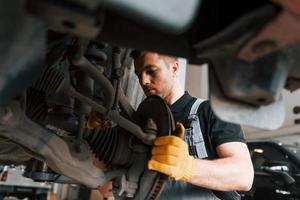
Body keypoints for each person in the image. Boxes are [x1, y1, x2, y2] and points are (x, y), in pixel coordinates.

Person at [132, 51, 254, 199]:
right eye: (138, 74)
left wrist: (188, 167)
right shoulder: (142, 123)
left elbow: (244, 176)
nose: (144, 80)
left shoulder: (211, 111)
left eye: (151, 71)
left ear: (174, 69)